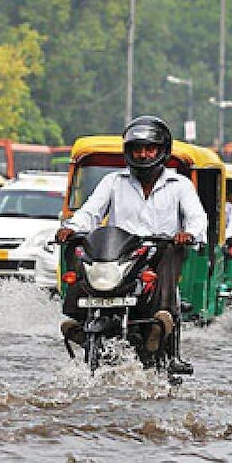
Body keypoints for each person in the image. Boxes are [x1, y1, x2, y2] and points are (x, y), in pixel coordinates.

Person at [56, 115, 208, 354]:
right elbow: (90, 212)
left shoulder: (180, 185)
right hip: (121, 255)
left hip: (159, 253)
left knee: (170, 250)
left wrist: (188, 234)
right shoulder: (113, 181)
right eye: (137, 149)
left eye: (150, 149)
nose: (144, 155)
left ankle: (162, 319)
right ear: (129, 152)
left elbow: (197, 218)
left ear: (163, 151)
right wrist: (71, 228)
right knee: (77, 246)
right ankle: (77, 316)